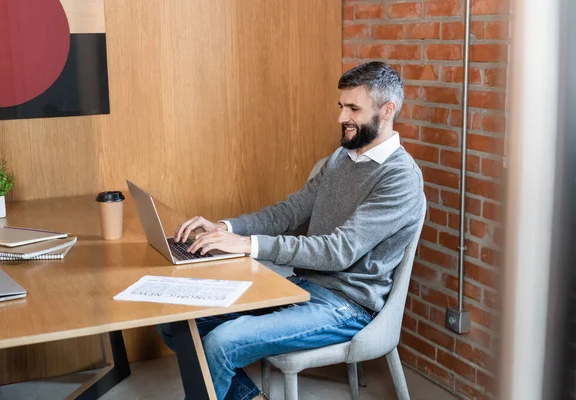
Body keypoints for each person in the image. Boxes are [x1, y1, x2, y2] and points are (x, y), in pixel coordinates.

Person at [157, 61, 425, 400]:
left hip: (347, 306)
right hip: (303, 287)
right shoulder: (341, 160)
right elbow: (290, 211)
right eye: (341, 106)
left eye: (353, 108)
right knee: (178, 322)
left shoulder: (400, 177)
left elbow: (338, 250)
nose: (341, 117)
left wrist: (248, 245)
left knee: (221, 343)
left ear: (387, 111)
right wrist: (227, 227)